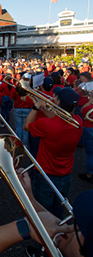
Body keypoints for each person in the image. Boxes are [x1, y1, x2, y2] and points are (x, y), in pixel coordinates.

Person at [0, 170, 92, 257]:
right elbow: (57, 228)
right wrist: (28, 197)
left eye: (80, 231)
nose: (74, 228)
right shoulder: (74, 243)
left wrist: (26, 227)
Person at [23, 87, 83, 219]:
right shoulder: (78, 121)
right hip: (65, 175)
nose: (53, 98)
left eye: (55, 98)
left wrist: (36, 107)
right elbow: (58, 119)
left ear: (59, 103)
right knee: (58, 210)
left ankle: (45, 237)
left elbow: (26, 126)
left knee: (43, 212)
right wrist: (43, 106)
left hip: (46, 174)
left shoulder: (47, 124)